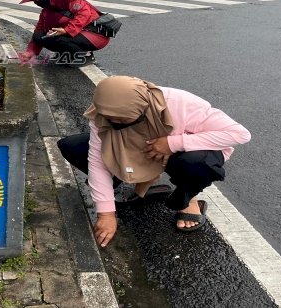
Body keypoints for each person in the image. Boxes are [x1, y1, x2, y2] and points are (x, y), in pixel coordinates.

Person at [57, 76, 251, 246]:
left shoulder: (179, 104)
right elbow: (97, 161)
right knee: (73, 147)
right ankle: (139, 178)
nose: (113, 123)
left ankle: (188, 200)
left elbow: (239, 134)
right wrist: (106, 213)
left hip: (182, 152)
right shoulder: (102, 113)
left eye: (122, 120)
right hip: (141, 150)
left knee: (197, 164)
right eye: (109, 119)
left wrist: (173, 143)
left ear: (142, 109)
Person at [17, 0, 109, 67]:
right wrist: (30, 52)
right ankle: (67, 53)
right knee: (39, 36)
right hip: (75, 34)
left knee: (61, 39)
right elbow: (39, 29)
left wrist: (66, 30)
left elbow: (84, 15)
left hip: (94, 34)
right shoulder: (47, 9)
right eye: (34, 0)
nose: (36, 2)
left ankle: (86, 55)